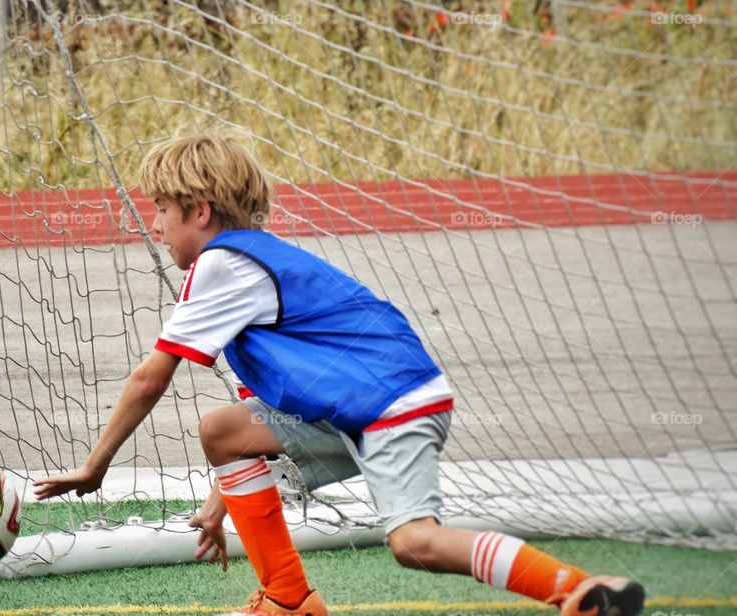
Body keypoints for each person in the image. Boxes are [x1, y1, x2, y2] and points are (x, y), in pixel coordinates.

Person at [33, 134, 645, 616]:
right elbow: (257, 413)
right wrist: (224, 501)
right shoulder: (245, 262)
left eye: (161, 209)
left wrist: (96, 464)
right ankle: (288, 600)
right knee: (222, 429)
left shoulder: (224, 264)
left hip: (392, 403)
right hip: (355, 406)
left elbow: (149, 379)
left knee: (414, 544)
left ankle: (582, 590)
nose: (155, 224)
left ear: (200, 210)